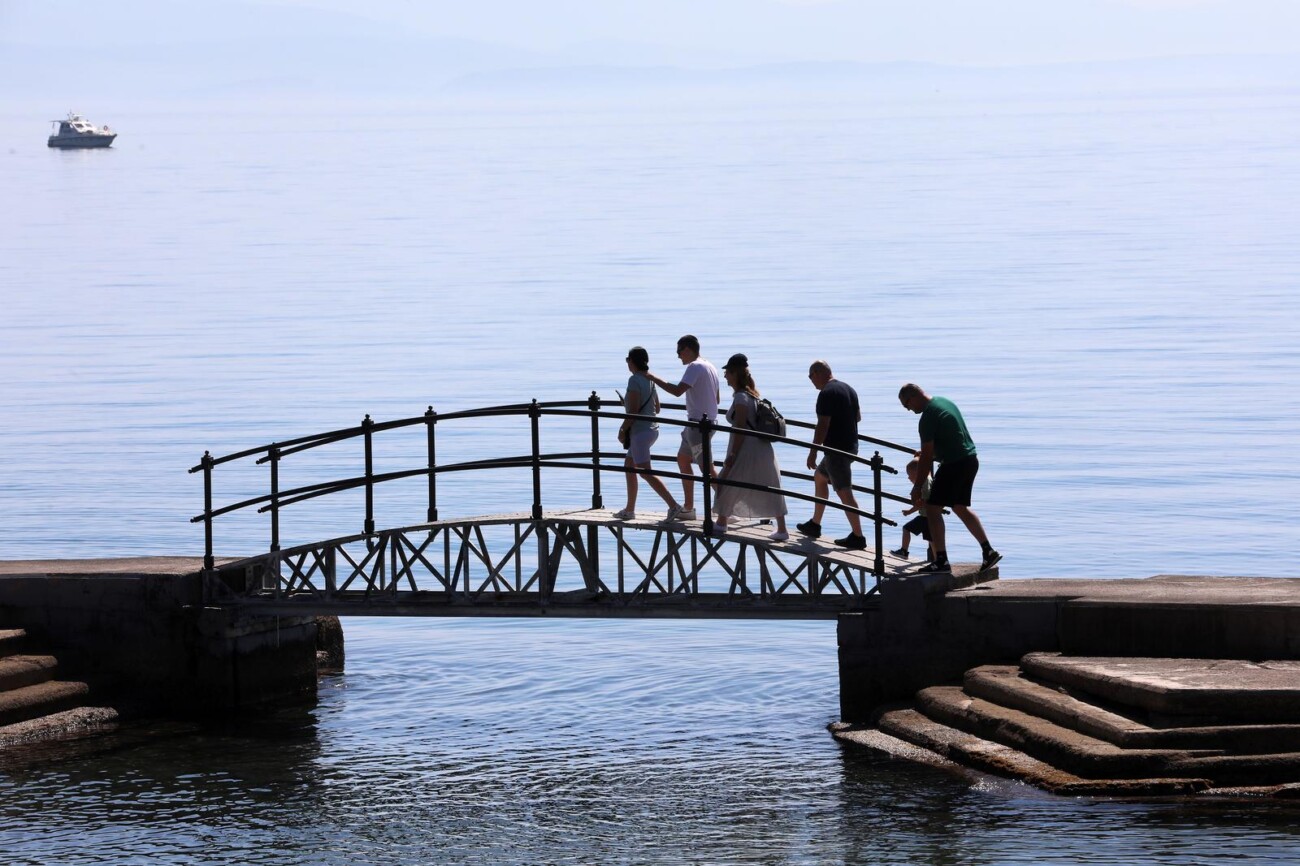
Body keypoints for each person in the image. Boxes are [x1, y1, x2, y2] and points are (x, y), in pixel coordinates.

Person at [898, 383, 1002, 573]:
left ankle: (941, 560)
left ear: (912, 397)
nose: (908, 410)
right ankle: (988, 551)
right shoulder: (944, 402)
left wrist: (917, 487)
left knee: (932, 509)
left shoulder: (927, 417)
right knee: (960, 507)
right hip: (970, 460)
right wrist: (931, 453)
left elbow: (926, 458)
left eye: (907, 405)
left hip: (954, 464)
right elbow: (950, 439)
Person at [712, 353, 789, 541]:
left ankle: (721, 522)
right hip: (761, 448)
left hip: (747, 449)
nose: (725, 376)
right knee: (770, 486)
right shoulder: (752, 395)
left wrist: (732, 455)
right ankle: (782, 529)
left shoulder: (741, 398)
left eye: (727, 372)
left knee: (726, 481)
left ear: (734, 374)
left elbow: (740, 428)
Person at [644, 334, 720, 521]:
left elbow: (677, 391)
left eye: (679, 351)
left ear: (687, 349)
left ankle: (727, 508)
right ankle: (688, 507)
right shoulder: (710, 366)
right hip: (698, 424)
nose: (678, 356)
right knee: (683, 460)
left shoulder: (694, 366)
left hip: (699, 426)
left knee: (707, 468)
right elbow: (716, 399)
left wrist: (652, 377)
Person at [795, 360, 866, 550]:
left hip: (836, 451)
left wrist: (812, 452)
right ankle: (815, 524)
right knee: (820, 477)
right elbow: (858, 417)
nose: (811, 381)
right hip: (850, 446)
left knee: (844, 491)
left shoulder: (826, 393)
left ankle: (858, 536)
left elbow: (822, 425)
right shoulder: (849, 389)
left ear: (818, 373)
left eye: (810, 376)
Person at [613, 347, 683, 520]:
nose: (627, 363)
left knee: (645, 472)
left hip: (640, 432)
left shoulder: (634, 380)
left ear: (632, 361)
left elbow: (634, 412)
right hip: (652, 430)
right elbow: (657, 408)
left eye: (627, 360)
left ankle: (674, 506)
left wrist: (622, 430)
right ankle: (629, 509)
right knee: (629, 465)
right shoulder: (650, 379)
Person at [892, 457, 935, 561]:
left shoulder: (924, 482)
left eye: (909, 474)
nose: (908, 478)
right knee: (931, 539)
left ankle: (904, 551)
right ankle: (938, 559)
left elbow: (922, 502)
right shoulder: (928, 479)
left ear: (917, 473)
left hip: (925, 517)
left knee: (906, 529)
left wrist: (909, 511)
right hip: (931, 516)